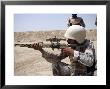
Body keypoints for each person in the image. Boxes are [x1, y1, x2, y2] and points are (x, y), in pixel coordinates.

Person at [32, 25, 96, 76]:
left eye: (70, 39)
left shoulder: (88, 45)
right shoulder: (71, 45)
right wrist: (41, 50)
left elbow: (90, 61)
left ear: (78, 39)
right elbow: (56, 58)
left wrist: (73, 52)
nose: (67, 40)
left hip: (86, 74)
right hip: (73, 71)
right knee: (55, 64)